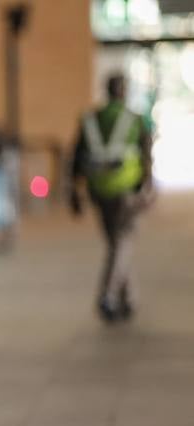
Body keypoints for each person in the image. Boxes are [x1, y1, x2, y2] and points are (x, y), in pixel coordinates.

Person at [69, 73, 155, 322]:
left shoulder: (90, 119)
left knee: (116, 242)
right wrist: (148, 186)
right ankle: (108, 295)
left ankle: (128, 298)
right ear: (124, 92)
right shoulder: (135, 119)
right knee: (123, 241)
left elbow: (76, 157)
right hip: (128, 189)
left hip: (99, 190)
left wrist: (73, 190)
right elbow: (146, 154)